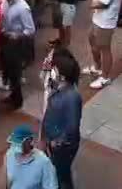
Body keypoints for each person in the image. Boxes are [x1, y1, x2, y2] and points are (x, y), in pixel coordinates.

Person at [40, 49, 81, 189]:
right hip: (54, 140)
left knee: (61, 175)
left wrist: (58, 141)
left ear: (62, 74)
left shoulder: (72, 97)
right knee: (59, 172)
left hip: (63, 146)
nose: (52, 70)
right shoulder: (58, 88)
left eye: (54, 68)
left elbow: (72, 126)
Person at [84, 0, 122, 90]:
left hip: (106, 22)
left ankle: (105, 78)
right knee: (92, 42)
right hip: (97, 18)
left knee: (104, 48)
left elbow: (100, 3)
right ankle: (97, 67)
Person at [3, 124, 57, 189]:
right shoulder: (9, 155)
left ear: (30, 140)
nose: (15, 146)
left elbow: (51, 186)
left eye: (18, 142)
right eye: (14, 142)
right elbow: (5, 182)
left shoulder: (43, 162)